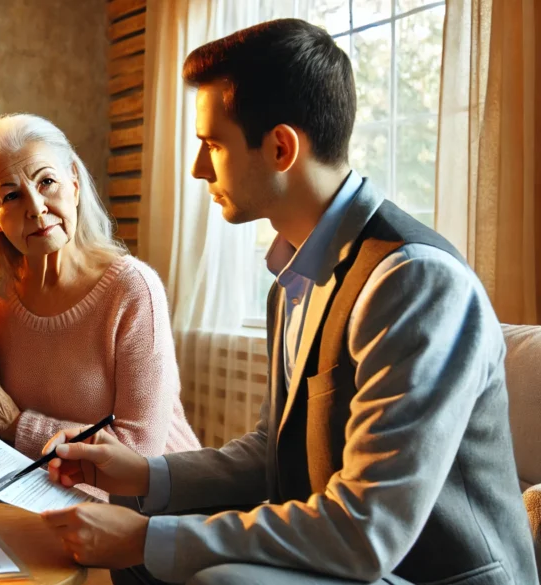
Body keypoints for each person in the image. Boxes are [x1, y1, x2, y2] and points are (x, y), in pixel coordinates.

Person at [37, 19, 537, 585]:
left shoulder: (415, 283)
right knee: (137, 530)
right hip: (361, 561)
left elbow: (367, 530)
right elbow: (272, 456)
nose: (200, 168)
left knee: (194, 568)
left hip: (426, 574)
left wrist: (148, 538)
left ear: (280, 147)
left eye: (212, 145)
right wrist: (148, 476)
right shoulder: (293, 277)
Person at [0, 113, 199, 488]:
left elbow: (139, 451)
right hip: (45, 497)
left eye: (47, 181)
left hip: (154, 502)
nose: (36, 207)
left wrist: (18, 425)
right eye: (11, 195)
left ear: (75, 184)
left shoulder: (133, 289)